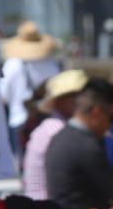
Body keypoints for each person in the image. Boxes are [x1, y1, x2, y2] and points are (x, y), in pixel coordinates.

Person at [43, 78, 113, 209]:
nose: (110, 125)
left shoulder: (63, 136)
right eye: (110, 118)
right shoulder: (85, 144)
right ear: (96, 113)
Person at [0, 21, 61, 158]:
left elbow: (3, 95)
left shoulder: (13, 64)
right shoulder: (51, 63)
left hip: (19, 119)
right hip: (48, 118)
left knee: (24, 164)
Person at [22, 69, 87, 200]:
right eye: (76, 97)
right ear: (60, 101)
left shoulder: (53, 126)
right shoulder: (58, 130)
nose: (84, 101)